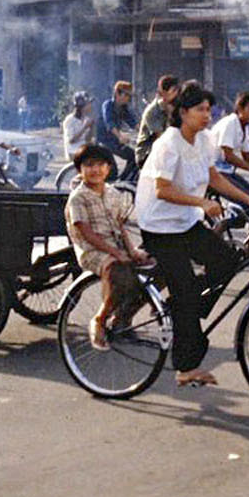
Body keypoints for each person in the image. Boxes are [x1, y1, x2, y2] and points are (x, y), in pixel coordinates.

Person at [133, 82, 249, 388]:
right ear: (183, 112)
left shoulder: (204, 140)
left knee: (229, 261)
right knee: (186, 293)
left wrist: (248, 200)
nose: (207, 115)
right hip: (160, 227)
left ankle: (185, 306)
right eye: (200, 110)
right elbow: (163, 189)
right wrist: (201, 202)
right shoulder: (169, 142)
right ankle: (186, 367)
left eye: (209, 110)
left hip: (185, 222)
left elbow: (213, 177)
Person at [64, 143, 151, 350]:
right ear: (80, 169)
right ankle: (100, 320)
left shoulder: (113, 193)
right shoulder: (78, 197)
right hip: (92, 251)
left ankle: (123, 317)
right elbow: (85, 232)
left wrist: (132, 251)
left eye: (100, 165)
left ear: (108, 168)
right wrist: (115, 253)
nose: (95, 170)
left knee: (156, 267)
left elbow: (120, 227)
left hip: (116, 247)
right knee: (116, 268)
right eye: (89, 165)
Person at [134, 75, 181, 170]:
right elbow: (163, 139)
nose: (176, 94)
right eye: (174, 91)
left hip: (167, 152)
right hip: (147, 154)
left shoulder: (175, 107)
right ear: (164, 93)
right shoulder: (152, 112)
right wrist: (169, 115)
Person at [97, 80, 138, 170]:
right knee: (112, 170)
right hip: (104, 141)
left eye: (129, 96)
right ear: (117, 93)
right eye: (126, 95)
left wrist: (145, 132)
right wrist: (120, 136)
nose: (128, 98)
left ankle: (126, 181)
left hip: (114, 141)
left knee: (134, 157)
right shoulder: (108, 105)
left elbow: (132, 122)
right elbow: (110, 123)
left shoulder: (123, 108)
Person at [62, 92, 96, 167]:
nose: (90, 106)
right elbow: (71, 140)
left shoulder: (86, 119)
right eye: (88, 104)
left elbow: (88, 139)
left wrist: (91, 128)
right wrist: (85, 127)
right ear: (82, 106)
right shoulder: (70, 120)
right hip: (73, 151)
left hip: (83, 148)